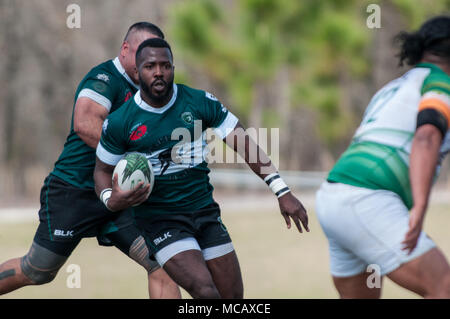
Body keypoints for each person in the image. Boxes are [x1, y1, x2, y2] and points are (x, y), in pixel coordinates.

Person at [94, 37, 309, 299]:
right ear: (137, 72)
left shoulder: (197, 102)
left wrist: (281, 190)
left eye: (166, 65)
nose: (159, 72)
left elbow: (243, 143)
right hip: (161, 222)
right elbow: (102, 171)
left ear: (173, 67)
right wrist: (111, 199)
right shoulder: (120, 121)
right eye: (151, 66)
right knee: (205, 291)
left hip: (205, 214)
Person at [0, 22, 180, 299]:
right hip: (75, 191)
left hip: (121, 199)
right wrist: (129, 158)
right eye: (143, 55)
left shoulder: (155, 92)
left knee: (163, 264)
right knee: (37, 271)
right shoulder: (104, 79)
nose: (151, 64)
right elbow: (85, 123)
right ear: (125, 50)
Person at [315, 15, 450, 298]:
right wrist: (421, 205)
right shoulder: (440, 83)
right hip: (368, 199)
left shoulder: (392, 87)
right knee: (443, 285)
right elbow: (426, 136)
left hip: (333, 197)